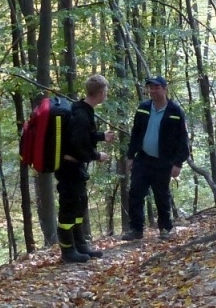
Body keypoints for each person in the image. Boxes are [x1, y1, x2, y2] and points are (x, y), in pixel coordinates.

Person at [122, 75, 190, 241]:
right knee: (135, 193)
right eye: (150, 88)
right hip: (143, 159)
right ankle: (136, 229)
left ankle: (165, 228)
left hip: (164, 161)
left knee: (162, 195)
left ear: (165, 89)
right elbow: (136, 133)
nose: (153, 91)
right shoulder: (143, 108)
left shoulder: (175, 111)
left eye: (156, 87)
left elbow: (182, 139)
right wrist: (130, 156)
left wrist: (178, 163)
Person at [57, 75, 114, 264]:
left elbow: (83, 136)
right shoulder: (81, 114)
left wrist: (101, 136)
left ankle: (80, 246)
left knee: (79, 206)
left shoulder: (83, 110)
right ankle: (68, 251)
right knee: (69, 208)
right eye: (106, 91)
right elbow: (77, 145)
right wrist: (97, 156)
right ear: (101, 93)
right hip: (69, 169)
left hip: (76, 169)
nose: (106, 94)